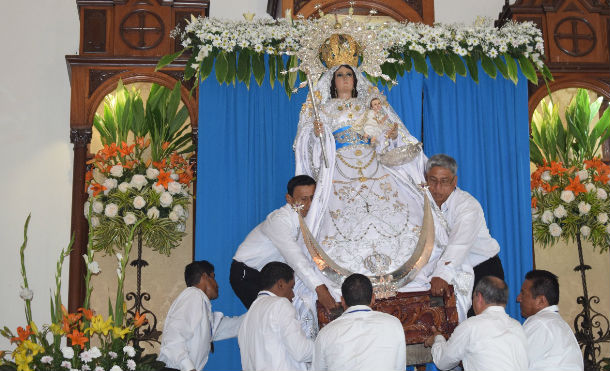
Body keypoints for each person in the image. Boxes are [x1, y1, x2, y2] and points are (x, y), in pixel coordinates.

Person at [294, 64, 464, 310]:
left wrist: (389, 132)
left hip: (372, 162)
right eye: (340, 75)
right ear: (333, 81)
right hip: (340, 167)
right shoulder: (324, 109)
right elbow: (309, 146)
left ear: (355, 79)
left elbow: (383, 138)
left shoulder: (368, 105)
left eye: (349, 75)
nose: (345, 80)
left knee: (398, 209)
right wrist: (316, 134)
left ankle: (406, 278)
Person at [230, 175, 337, 313]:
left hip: (271, 276)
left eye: (313, 198)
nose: (310, 205)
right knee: (268, 320)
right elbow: (295, 258)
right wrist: (320, 290)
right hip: (247, 275)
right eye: (303, 199)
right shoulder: (278, 221)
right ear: (289, 199)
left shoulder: (308, 219)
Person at [424, 154, 504, 318]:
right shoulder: (423, 202)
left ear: (454, 182)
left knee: (483, 328)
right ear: (426, 179)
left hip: (483, 270)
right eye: (432, 180)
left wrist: (441, 275)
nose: (437, 187)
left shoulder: (467, 205)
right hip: (452, 269)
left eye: (444, 181)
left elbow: (458, 244)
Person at [424, 276, 528, 371]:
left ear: (479, 297)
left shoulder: (471, 326)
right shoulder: (517, 326)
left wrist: (438, 338)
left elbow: (443, 362)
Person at [158, 260, 243, 371]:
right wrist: (189, 368)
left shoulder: (199, 304)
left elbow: (226, 327)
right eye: (213, 277)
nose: (217, 285)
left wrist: (257, 314)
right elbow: (173, 338)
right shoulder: (194, 295)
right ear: (204, 277)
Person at [312, 273, 406, 371]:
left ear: (342, 301)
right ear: (373, 299)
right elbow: (400, 367)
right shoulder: (393, 324)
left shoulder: (326, 333)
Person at [238, 262, 314, 371]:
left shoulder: (248, 316)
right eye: (291, 287)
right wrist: (324, 345)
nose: (293, 295)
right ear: (281, 284)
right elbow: (300, 351)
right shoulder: (280, 304)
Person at [517, 270, 583, 371]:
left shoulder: (539, 323)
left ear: (541, 301)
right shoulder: (555, 323)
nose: (518, 298)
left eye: (523, 293)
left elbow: (515, 363)